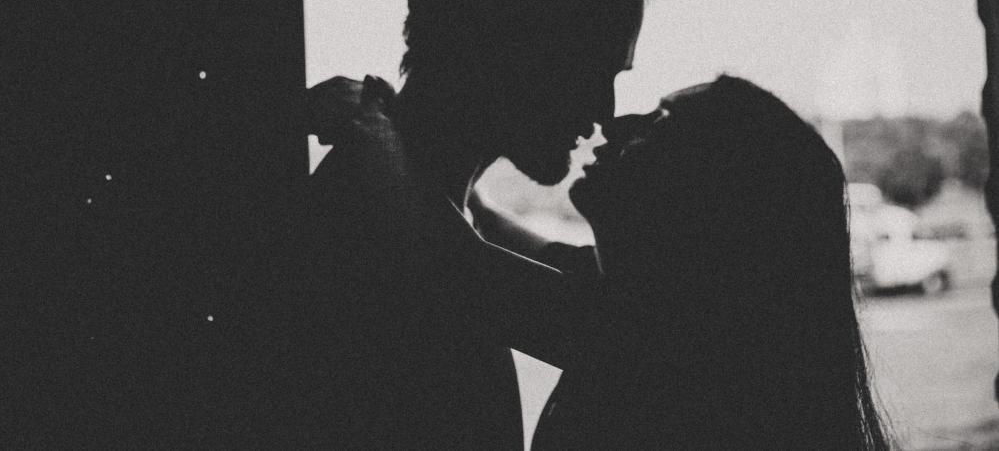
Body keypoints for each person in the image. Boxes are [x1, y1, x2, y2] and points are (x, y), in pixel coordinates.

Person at [319, 74, 892, 449]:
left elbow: (457, 267)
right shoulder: (670, 311)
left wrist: (376, 128)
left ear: (714, 189)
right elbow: (503, 238)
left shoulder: (663, 336)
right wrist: (465, 193)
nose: (616, 122)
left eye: (660, 122)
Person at [302, 0, 663, 448]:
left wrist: (382, 135)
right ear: (508, 43)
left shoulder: (407, 216)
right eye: (590, 69)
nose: (605, 111)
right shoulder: (373, 241)